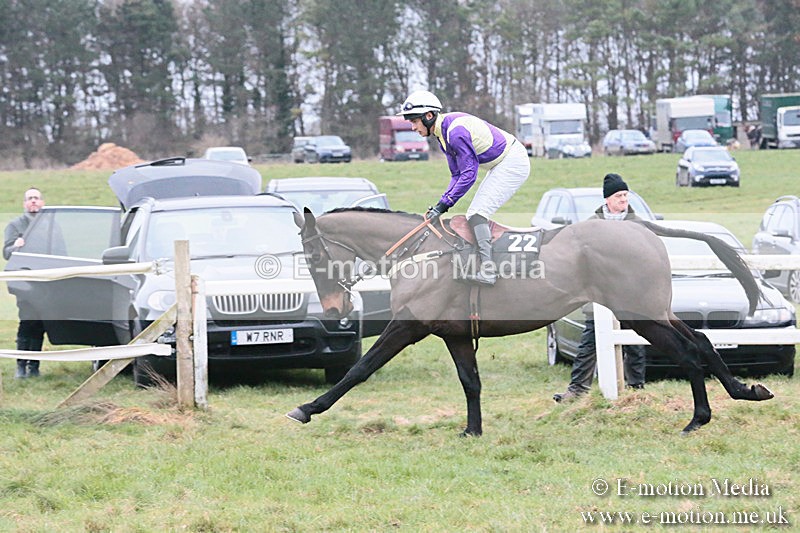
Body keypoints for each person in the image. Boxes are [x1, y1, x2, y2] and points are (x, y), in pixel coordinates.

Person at [397, 90, 530, 285]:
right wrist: (441, 204)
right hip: (501, 162)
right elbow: (456, 175)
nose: (413, 127)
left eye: (415, 121)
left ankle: (488, 270)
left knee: (477, 213)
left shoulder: (455, 133)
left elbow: (469, 175)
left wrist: (445, 204)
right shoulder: (442, 135)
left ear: (429, 116)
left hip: (512, 162)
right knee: (474, 213)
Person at [553, 173, 647, 402]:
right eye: (619, 196)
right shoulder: (590, 225)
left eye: (625, 195)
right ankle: (577, 389)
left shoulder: (638, 223)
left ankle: (636, 389)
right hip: (599, 294)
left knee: (635, 342)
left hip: (631, 293)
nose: (623, 199)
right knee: (590, 342)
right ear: (607, 199)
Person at [3, 187, 47, 378]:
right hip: (24, 282)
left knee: (41, 323)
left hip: (46, 281)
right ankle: (21, 366)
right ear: (25, 203)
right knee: (27, 321)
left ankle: (34, 367)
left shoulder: (49, 225)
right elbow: (6, 253)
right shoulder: (15, 225)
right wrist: (16, 246)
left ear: (42, 202)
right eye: (30, 198)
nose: (33, 201)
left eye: (36, 198)